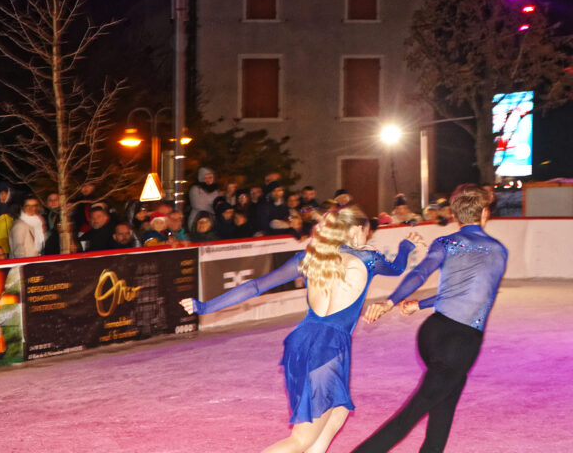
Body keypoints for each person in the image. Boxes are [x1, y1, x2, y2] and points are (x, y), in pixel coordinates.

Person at [181, 206, 418, 453]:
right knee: (300, 440)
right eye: (367, 231)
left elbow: (255, 286)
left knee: (338, 413)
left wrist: (205, 306)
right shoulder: (369, 258)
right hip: (328, 346)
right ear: (357, 230)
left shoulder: (309, 258)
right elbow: (398, 268)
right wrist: (406, 247)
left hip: (303, 340)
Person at [353, 184, 507, 453]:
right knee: (409, 416)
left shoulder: (445, 243)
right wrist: (395, 302)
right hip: (461, 343)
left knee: (444, 405)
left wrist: (404, 302)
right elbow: (474, 296)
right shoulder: (497, 251)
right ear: (484, 213)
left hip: (432, 333)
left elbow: (421, 275)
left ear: (456, 215)